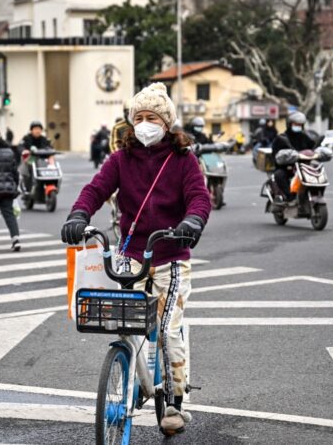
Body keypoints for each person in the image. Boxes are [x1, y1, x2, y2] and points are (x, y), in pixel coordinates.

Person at [60, 82, 211, 435]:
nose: (145, 123)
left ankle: (174, 402)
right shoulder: (119, 159)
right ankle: (132, 371)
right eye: (139, 117)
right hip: (131, 255)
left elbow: (199, 198)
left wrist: (192, 222)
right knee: (124, 323)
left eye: (153, 117)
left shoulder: (183, 159)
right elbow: (95, 189)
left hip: (171, 256)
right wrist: (78, 216)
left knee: (169, 331)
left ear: (167, 122)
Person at [271, 111, 316, 202]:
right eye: (296, 124)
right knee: (279, 175)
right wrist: (287, 157)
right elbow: (276, 156)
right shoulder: (281, 138)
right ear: (289, 124)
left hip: (303, 166)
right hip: (286, 168)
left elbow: (313, 147)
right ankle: (290, 197)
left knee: (317, 169)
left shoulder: (304, 137)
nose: (298, 127)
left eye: (300, 125)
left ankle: (315, 193)